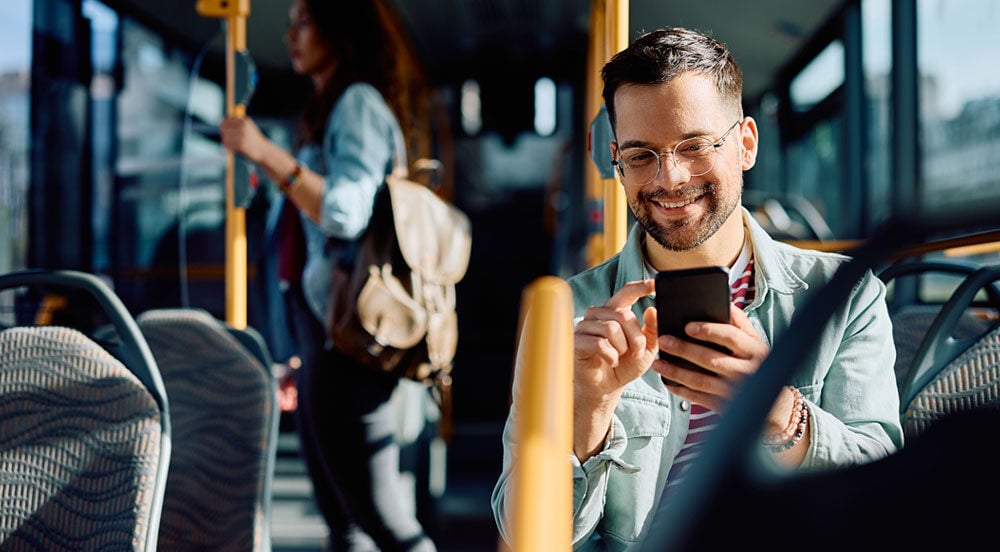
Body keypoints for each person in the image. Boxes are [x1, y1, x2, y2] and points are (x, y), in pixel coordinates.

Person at [491, 27, 904, 550]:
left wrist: (779, 414)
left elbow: (885, 492)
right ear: (617, 161)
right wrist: (589, 411)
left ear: (746, 143)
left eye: (694, 145)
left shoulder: (845, 295)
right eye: (641, 155)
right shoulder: (566, 314)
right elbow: (525, 535)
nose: (670, 177)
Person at [220, 1, 437, 550]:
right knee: (344, 516)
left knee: (382, 518)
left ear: (341, 33)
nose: (291, 34)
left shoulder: (356, 104)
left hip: (350, 343)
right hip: (324, 333)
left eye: (305, 22)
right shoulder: (328, 106)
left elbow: (344, 212)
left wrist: (264, 153)